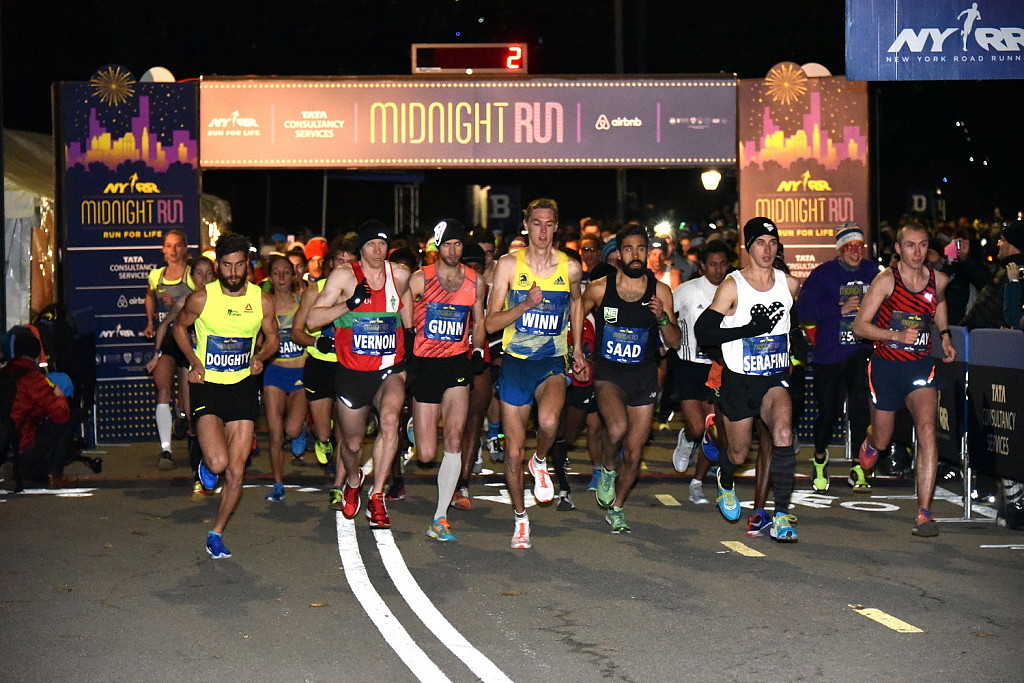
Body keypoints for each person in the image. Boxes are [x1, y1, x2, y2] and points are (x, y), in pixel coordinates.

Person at [485, 198, 586, 549]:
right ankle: (520, 519)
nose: (543, 231)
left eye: (549, 224)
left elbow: (577, 302)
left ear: (556, 227)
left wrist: (577, 348)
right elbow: (490, 323)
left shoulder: (570, 267)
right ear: (526, 225)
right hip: (515, 363)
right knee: (513, 454)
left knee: (549, 422)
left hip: (550, 360)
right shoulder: (508, 265)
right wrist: (526, 304)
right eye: (537, 223)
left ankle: (540, 460)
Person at [694, 217, 801, 542]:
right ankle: (725, 480)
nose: (767, 250)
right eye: (760, 243)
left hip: (774, 379)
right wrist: (747, 330)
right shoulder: (733, 285)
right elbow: (703, 331)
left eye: (772, 243)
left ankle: (780, 516)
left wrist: (798, 344)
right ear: (748, 247)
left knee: (783, 434)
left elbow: (792, 324)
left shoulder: (790, 284)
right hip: (739, 381)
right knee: (738, 454)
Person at [174, 233, 278, 559]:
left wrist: (260, 356)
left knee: (236, 470)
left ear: (248, 265)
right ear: (218, 265)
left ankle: (216, 532)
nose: (233, 272)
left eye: (239, 265)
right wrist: (194, 362)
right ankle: (206, 466)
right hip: (208, 385)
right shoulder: (202, 298)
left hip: (243, 385)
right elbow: (179, 328)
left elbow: (273, 338)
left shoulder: (262, 300)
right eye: (227, 265)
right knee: (218, 462)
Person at [307, 220, 413, 529]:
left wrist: (409, 333)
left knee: (390, 420)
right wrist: (350, 303)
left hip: (389, 367)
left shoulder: (400, 274)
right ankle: (353, 481)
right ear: (361, 249)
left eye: (382, 244)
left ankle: (377, 496)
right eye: (371, 245)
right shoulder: (344, 276)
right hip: (353, 371)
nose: (377, 250)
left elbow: (405, 302)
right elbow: (313, 319)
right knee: (352, 445)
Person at [852, 222, 956, 538]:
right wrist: (896, 335)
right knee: (883, 441)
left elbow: (938, 302)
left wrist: (945, 334)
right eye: (910, 245)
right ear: (898, 248)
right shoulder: (886, 280)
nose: (917, 252)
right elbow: (859, 326)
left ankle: (924, 512)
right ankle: (870, 440)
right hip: (886, 367)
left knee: (927, 429)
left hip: (919, 367)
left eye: (923, 245)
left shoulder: (938, 279)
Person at [581, 225, 680, 533]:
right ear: (618, 254)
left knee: (635, 453)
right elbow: (575, 312)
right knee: (616, 428)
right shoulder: (599, 288)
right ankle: (608, 467)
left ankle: (618, 507)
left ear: (647, 252)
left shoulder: (660, 291)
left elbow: (675, 342)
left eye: (640, 249)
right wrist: (577, 352)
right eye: (628, 249)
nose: (635, 255)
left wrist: (662, 317)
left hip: (643, 375)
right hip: (609, 374)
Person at [408, 219, 486, 541]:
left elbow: (479, 320)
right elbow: (403, 312)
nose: (453, 251)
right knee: (426, 455)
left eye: (458, 245)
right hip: (426, 365)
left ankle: (439, 518)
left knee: (454, 440)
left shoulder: (475, 281)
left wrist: (477, 348)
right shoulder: (421, 278)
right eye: (448, 245)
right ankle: (414, 424)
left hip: (456, 364)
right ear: (438, 247)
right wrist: (410, 334)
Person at [796, 223, 880, 492]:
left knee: (859, 409)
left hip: (860, 349)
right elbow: (803, 312)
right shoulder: (823, 274)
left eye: (859, 246)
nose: (855, 251)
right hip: (829, 355)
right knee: (828, 413)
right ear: (840, 249)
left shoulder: (872, 272)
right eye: (849, 246)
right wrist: (838, 309)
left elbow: (887, 305)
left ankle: (858, 465)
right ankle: (820, 457)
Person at [145, 257, 217, 501]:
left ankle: (214, 463)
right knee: (191, 415)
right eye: (199, 273)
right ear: (192, 277)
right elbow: (165, 325)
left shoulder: (222, 301)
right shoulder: (185, 302)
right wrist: (156, 354)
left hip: (215, 363)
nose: (204, 278)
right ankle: (197, 477)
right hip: (187, 356)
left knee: (208, 417)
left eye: (208, 273)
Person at [671, 239, 732, 504]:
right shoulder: (688, 290)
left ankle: (697, 482)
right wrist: (667, 340)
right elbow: (666, 314)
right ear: (702, 266)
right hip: (688, 366)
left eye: (723, 264)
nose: (718, 270)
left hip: (718, 367)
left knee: (714, 431)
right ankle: (687, 438)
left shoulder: (734, 289)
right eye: (713, 265)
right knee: (697, 429)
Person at [291, 237, 348, 472]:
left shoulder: (363, 291)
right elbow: (296, 332)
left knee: (347, 430)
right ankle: (324, 439)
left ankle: (341, 480)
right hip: (320, 365)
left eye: (350, 262)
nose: (344, 266)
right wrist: (316, 341)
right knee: (324, 431)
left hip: (349, 366)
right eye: (340, 261)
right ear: (330, 263)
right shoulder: (314, 290)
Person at [143, 230, 194, 471]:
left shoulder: (192, 275)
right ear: (163, 250)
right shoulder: (156, 275)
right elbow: (149, 296)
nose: (173, 250)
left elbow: (201, 301)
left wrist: (177, 306)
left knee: (187, 399)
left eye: (177, 246)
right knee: (162, 387)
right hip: (166, 341)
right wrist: (150, 321)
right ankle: (166, 450)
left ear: (185, 249)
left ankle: (184, 422)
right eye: (168, 246)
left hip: (188, 340)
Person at [2, 326, 75, 490]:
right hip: (21, 444)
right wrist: (59, 396)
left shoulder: (4, 373)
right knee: (68, 418)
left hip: (6, 443)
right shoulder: (33, 379)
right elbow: (60, 415)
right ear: (36, 355)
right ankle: (55, 474)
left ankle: (23, 469)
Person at [262, 256, 309, 502]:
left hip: (300, 372)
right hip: (274, 372)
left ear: (293, 276)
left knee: (292, 429)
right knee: (275, 434)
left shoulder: (302, 302)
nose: (281, 277)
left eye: (286, 272)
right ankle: (278, 483)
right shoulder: (264, 305)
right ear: (270, 277)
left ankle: (301, 431)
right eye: (276, 272)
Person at [962, 220, 1023, 329]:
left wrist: (964, 331)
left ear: (1014, 246)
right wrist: (966, 259)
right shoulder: (1006, 269)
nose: (998, 244)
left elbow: (989, 310)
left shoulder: (1014, 273)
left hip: (988, 336)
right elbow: (985, 282)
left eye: (1002, 240)